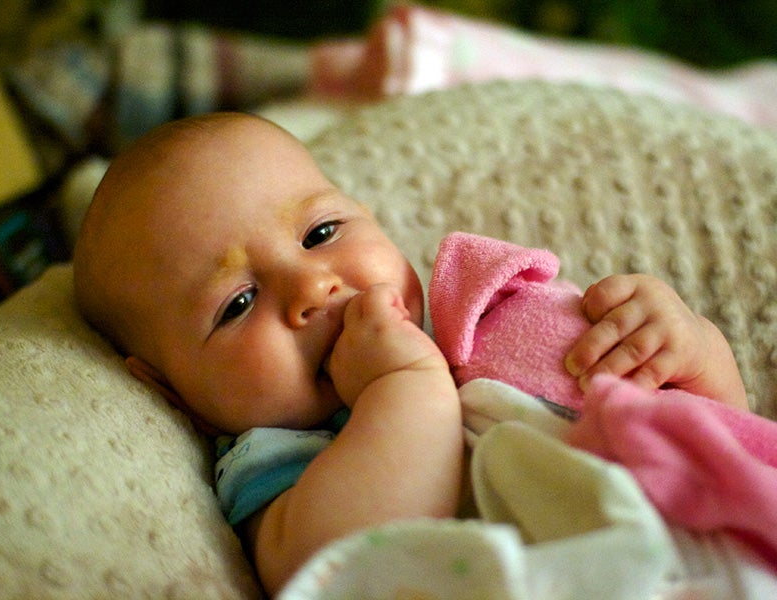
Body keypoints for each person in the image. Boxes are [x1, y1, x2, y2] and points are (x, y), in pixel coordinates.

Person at [72, 112, 749, 596]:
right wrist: (402, 384)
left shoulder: (493, 312)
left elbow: (719, 449)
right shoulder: (278, 459)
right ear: (167, 388)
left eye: (322, 231)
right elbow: (343, 561)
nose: (313, 285)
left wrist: (690, 350)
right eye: (238, 304)